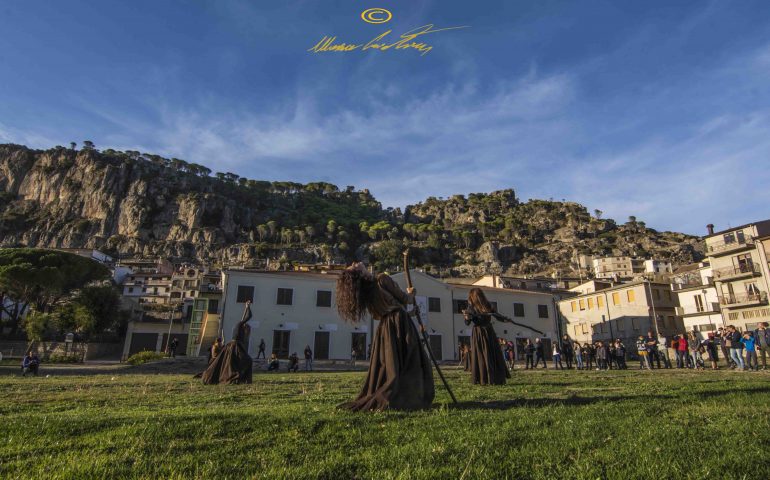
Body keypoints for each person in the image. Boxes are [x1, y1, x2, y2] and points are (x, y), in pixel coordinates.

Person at [336, 262, 434, 411]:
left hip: (385, 329)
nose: (355, 263)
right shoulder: (382, 279)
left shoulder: (368, 294)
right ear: (360, 274)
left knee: (392, 363)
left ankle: (400, 396)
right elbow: (405, 300)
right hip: (400, 324)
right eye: (354, 267)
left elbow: (386, 312)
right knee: (409, 358)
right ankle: (409, 397)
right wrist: (412, 292)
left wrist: (410, 313)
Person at [462, 288, 512, 385]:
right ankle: (484, 378)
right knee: (482, 354)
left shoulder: (488, 305)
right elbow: (467, 322)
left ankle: (495, 378)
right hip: (479, 333)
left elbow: (497, 315)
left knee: (492, 353)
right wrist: (467, 317)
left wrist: (506, 319)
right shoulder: (471, 307)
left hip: (489, 331)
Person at [201, 302, 253, 384]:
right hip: (235, 346)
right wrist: (248, 307)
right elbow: (249, 316)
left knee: (237, 363)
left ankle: (241, 378)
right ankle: (238, 377)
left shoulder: (240, 327)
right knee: (247, 360)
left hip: (234, 346)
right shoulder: (239, 325)